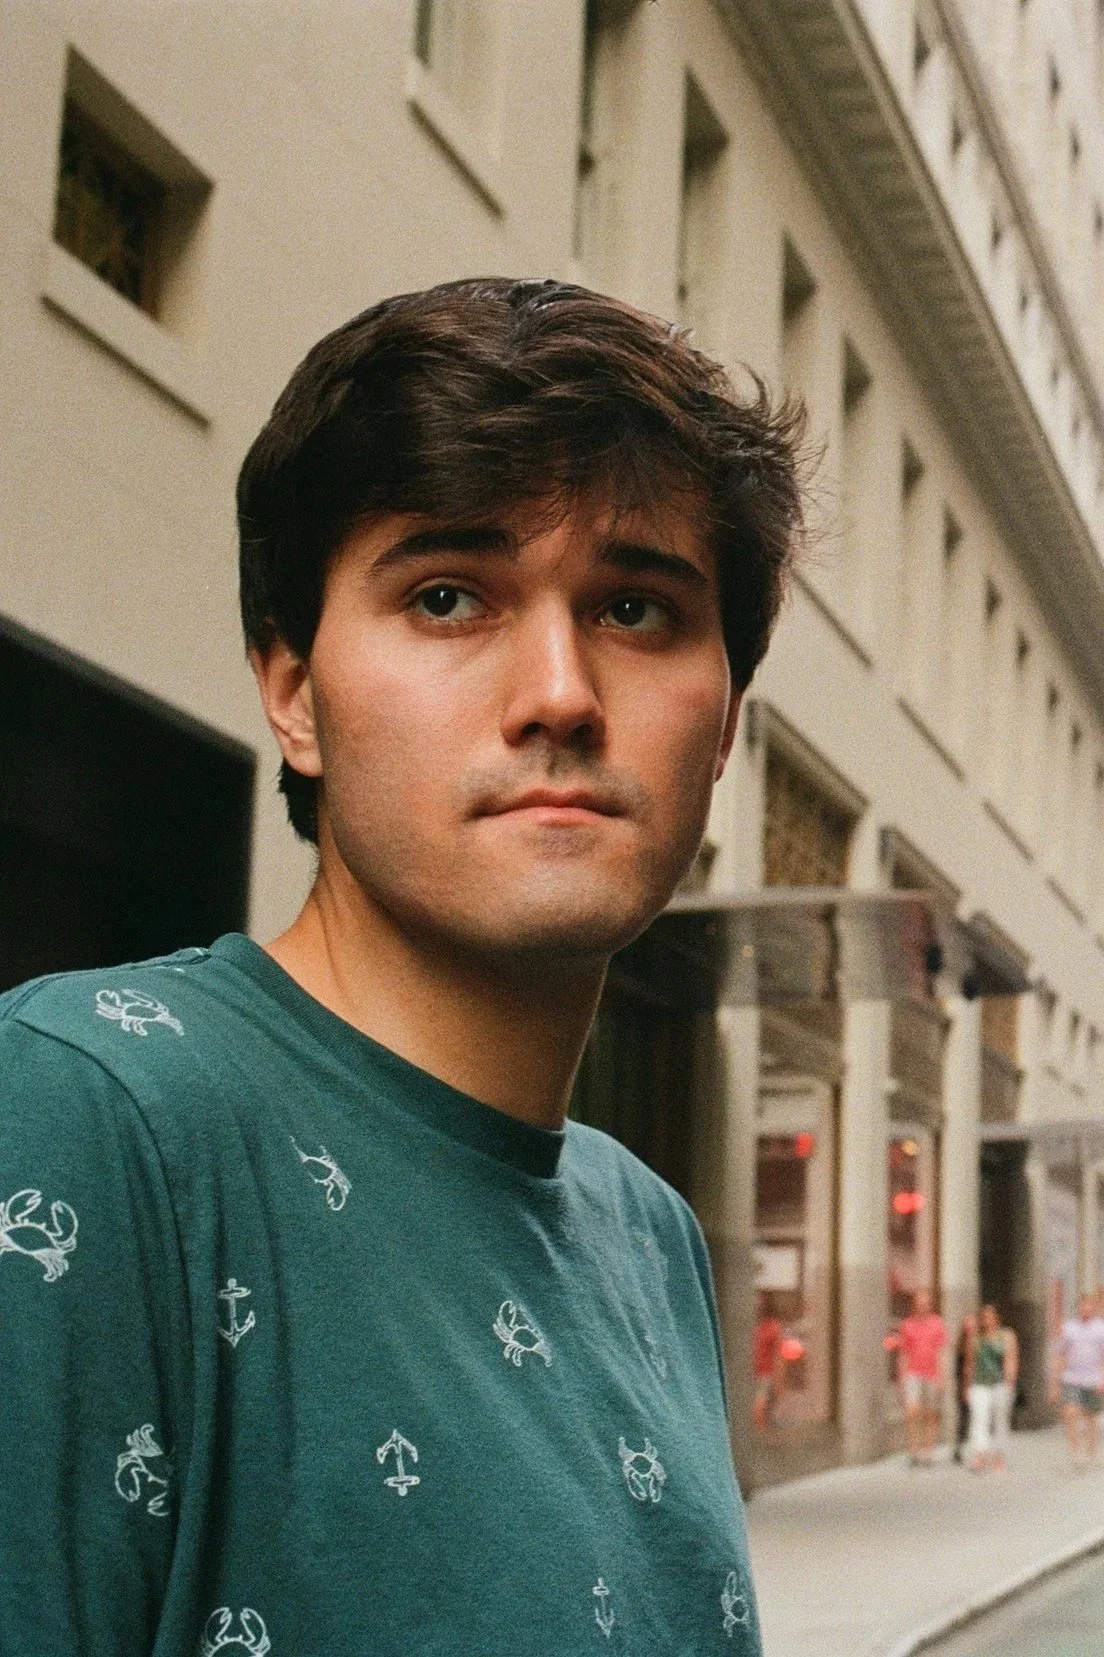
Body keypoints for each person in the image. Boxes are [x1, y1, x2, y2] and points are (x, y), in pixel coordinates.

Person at [0, 277, 807, 1654]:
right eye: (448, 597)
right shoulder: (86, 1114)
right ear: (295, 693)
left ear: (723, 722)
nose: (559, 689)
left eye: (635, 610)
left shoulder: (653, 1236)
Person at [1049, 1292, 1104, 1467]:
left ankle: (1091, 1453)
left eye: (1089, 1306)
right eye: (1082, 1306)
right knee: (1070, 1414)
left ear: (1093, 1308)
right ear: (1078, 1308)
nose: (1085, 1309)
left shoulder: (1100, 1328)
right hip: (1071, 1377)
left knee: (1090, 1417)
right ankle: (1075, 1453)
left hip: (1093, 1378)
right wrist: (1055, 1382)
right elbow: (1060, 1355)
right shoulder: (1069, 1328)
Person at [896, 1287, 947, 1465]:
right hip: (913, 1373)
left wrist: (942, 1376)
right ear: (915, 1305)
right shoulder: (907, 1325)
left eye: (925, 1303)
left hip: (932, 1373)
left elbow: (941, 1351)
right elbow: (903, 1353)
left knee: (931, 1414)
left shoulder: (937, 1323)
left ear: (929, 1305)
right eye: (919, 1303)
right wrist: (901, 1377)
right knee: (912, 1413)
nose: (922, 1306)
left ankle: (928, 1451)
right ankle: (913, 1451)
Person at [967, 1302, 1019, 1471]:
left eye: (991, 1316)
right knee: (979, 1418)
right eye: (984, 1317)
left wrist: (1010, 1380)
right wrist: (967, 1385)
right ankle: (980, 1454)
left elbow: (1011, 1358)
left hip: (1000, 1382)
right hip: (980, 1383)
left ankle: (999, 1454)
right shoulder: (976, 1338)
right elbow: (970, 1362)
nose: (987, 1320)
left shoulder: (1006, 1335)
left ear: (997, 1317)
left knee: (1000, 1420)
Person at [753, 1290, 786, 1428]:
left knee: (760, 1404)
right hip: (762, 1371)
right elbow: (778, 1355)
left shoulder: (765, 1327)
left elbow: (777, 1354)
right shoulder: (772, 1327)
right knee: (761, 1405)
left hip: (761, 1371)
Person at [952, 1312, 977, 1463]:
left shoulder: (980, 1343)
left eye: (972, 1324)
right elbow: (960, 1369)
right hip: (964, 1385)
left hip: (978, 1384)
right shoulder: (961, 1346)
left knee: (976, 1417)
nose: (970, 1328)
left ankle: (974, 1448)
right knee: (963, 1416)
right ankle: (960, 1448)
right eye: (967, 1325)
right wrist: (962, 1387)